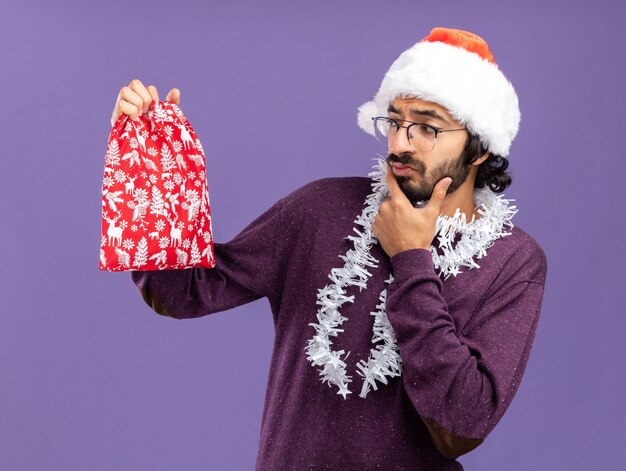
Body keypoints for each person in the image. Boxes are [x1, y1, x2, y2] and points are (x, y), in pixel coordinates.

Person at [111, 27, 547, 470]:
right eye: (394, 121)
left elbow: (461, 425)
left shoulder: (512, 261)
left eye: (427, 128)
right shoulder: (322, 208)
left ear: (479, 148)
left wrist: (411, 259)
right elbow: (181, 292)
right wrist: (146, 166)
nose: (399, 143)